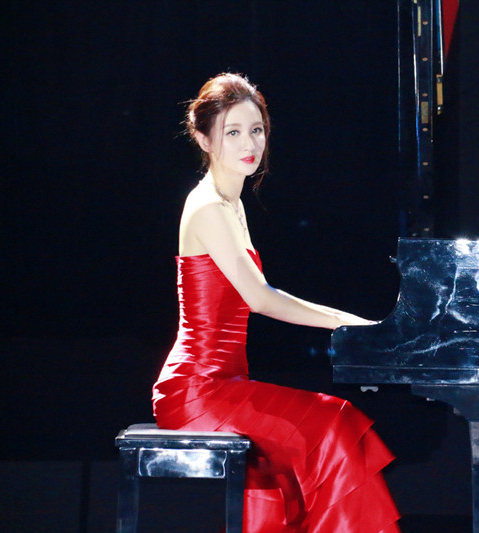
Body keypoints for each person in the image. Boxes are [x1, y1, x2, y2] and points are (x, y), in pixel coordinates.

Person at [152, 72, 401, 533]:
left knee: (326, 434)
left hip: (226, 383)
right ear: (204, 139)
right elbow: (260, 298)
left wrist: (355, 327)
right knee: (334, 425)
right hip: (197, 390)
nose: (249, 143)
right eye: (232, 132)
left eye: (256, 129)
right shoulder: (207, 207)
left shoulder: (231, 203)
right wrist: (352, 326)